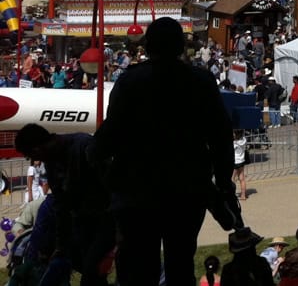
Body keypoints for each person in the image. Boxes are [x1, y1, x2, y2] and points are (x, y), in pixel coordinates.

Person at [93, 16, 235, 286]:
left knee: (139, 267)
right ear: (181, 46)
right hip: (188, 188)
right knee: (180, 263)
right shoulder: (200, 81)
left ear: (147, 46)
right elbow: (221, 136)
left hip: (138, 190)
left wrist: (95, 157)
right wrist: (223, 183)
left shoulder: (130, 81)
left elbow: (111, 133)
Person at [13, 125, 115, 286]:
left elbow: (112, 188)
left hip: (105, 221)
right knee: (90, 273)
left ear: (38, 147)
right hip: (82, 225)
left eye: (30, 155)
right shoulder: (51, 162)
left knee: (90, 274)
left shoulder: (84, 146)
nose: (32, 160)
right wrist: (61, 246)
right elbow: (61, 205)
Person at [232, 129, 248, 202]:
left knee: (232, 179)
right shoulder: (244, 140)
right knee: (242, 178)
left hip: (235, 162)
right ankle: (243, 195)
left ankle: (231, 195)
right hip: (242, 161)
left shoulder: (234, 143)